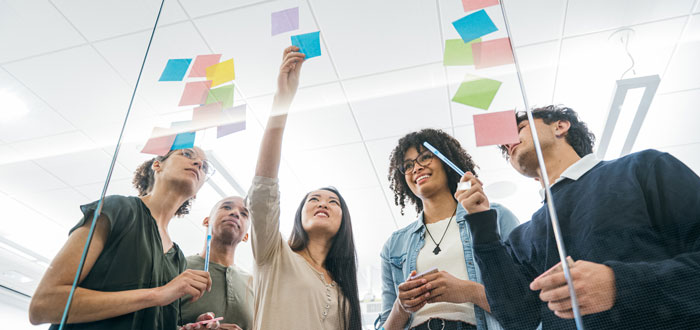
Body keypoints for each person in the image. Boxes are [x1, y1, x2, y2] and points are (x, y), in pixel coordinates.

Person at [458, 105, 700, 329]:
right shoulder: (522, 237)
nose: (508, 142)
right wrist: (482, 222)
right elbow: (519, 318)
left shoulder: (642, 168)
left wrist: (620, 284)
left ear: (560, 126)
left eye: (520, 128)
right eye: (504, 147)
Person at [29, 147, 218, 329]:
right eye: (187, 154)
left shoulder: (178, 258)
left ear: (197, 191)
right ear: (157, 165)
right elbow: (44, 304)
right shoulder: (118, 209)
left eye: (205, 166)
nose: (198, 163)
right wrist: (159, 294)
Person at [246, 46, 362, 329]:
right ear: (298, 215)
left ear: (344, 220)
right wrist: (282, 102)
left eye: (333, 202)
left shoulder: (343, 288)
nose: (323, 203)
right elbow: (264, 190)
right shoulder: (273, 255)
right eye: (314, 199)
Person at [376, 129, 520, 330]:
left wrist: (469, 291)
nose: (416, 168)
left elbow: (524, 306)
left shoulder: (493, 216)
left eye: (425, 157)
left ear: (447, 161)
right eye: (408, 165)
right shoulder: (394, 245)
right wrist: (401, 307)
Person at [180, 196, 254, 330]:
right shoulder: (177, 266)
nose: (235, 213)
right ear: (206, 221)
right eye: (227, 207)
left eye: (244, 214)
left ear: (246, 237)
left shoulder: (254, 285)